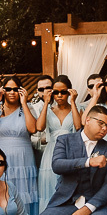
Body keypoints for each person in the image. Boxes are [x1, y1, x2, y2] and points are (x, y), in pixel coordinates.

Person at [0, 76, 39, 215]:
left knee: (24, 193)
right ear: (3, 91)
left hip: (24, 157)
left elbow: (32, 128)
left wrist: (24, 103)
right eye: (8, 89)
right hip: (3, 157)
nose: (12, 92)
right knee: (4, 191)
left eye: (16, 89)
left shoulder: (27, 108)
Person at [35, 76, 80, 206]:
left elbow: (78, 127)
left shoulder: (76, 108)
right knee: (49, 188)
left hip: (70, 151)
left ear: (69, 92)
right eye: (56, 92)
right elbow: (39, 127)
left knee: (68, 185)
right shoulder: (47, 110)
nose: (59, 95)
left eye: (63, 92)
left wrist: (73, 102)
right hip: (51, 151)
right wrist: (46, 102)